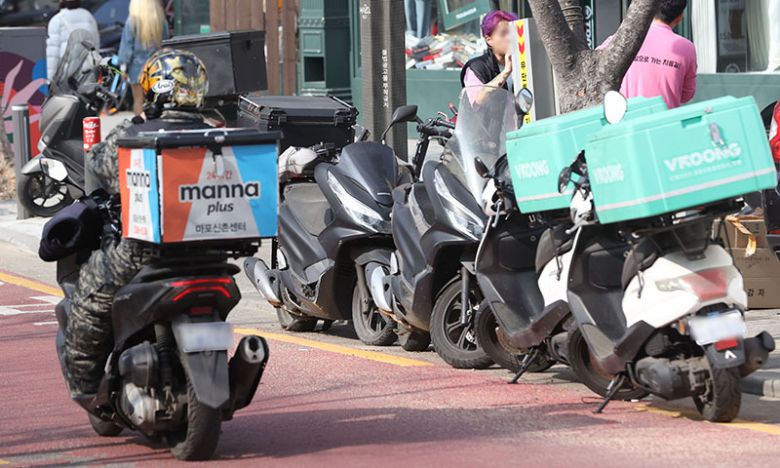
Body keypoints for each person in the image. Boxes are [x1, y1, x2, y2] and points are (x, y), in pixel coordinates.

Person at [63, 49, 210, 401]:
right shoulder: (215, 133)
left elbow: (100, 165)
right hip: (210, 249)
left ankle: (84, 385)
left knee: (88, 293)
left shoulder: (139, 133)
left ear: (154, 88)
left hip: (144, 253)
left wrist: (134, 122)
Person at [603, 0, 696, 108]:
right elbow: (687, 94)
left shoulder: (620, 40)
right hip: (666, 122)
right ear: (679, 17)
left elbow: (595, 70)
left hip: (625, 120)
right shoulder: (687, 47)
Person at [117, 0, 169, 117]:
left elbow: (127, 47)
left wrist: (123, 68)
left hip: (137, 69)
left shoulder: (132, 22)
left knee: (138, 101)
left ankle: (140, 126)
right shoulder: (160, 20)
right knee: (156, 100)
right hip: (156, 68)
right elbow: (165, 44)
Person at [460, 10, 517, 92]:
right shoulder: (476, 67)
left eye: (512, 33)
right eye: (503, 34)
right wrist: (506, 72)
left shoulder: (522, 62)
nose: (509, 38)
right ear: (489, 40)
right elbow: (478, 100)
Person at [46, 0, 100, 81]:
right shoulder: (88, 17)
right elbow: (96, 45)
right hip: (87, 73)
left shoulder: (56, 21)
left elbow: (53, 55)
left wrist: (50, 78)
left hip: (65, 75)